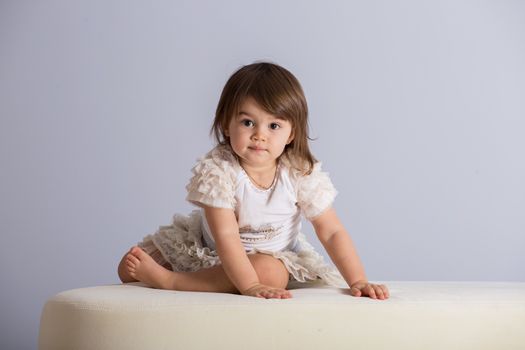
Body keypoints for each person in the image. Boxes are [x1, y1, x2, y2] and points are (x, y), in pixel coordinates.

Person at [117, 62, 389, 300]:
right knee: (127, 269)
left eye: (274, 126)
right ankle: (212, 277)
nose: (260, 135)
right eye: (248, 123)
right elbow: (226, 236)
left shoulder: (298, 172)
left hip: (271, 257)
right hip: (214, 247)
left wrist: (358, 280)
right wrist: (249, 286)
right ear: (226, 124)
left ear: (292, 133)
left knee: (268, 272)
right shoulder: (219, 171)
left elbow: (331, 231)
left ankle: (172, 282)